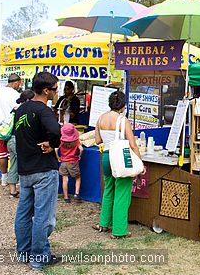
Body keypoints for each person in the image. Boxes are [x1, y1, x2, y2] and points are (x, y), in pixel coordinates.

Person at [13, 72, 61, 271]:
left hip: (25, 170)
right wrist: (53, 144)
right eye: (56, 89)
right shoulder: (44, 110)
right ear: (46, 91)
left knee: (24, 213)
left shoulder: (21, 109)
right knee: (43, 215)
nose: (57, 93)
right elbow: (56, 131)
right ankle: (39, 257)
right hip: (43, 170)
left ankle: (24, 252)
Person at [92, 90, 144, 238]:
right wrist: (140, 163)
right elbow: (133, 145)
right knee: (122, 193)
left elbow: (97, 141)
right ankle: (119, 231)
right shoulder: (123, 120)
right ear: (123, 105)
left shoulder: (101, 118)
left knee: (108, 190)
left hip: (106, 157)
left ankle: (104, 224)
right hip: (120, 158)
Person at [0, 73, 21, 186]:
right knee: (13, 155)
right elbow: (18, 109)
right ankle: (14, 179)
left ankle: (4, 178)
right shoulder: (15, 94)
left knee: (1, 153)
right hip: (10, 128)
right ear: (16, 82)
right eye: (19, 83)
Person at [6, 89, 35, 198]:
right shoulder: (25, 110)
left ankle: (12, 190)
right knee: (24, 164)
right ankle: (25, 190)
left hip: (10, 139)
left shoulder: (14, 109)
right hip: (18, 140)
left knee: (13, 164)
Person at [57, 123, 83, 203]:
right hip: (73, 161)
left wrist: (58, 158)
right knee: (78, 177)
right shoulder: (76, 141)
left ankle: (66, 197)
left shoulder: (61, 141)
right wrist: (79, 156)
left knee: (65, 179)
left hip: (63, 161)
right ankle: (76, 193)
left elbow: (55, 149)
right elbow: (81, 149)